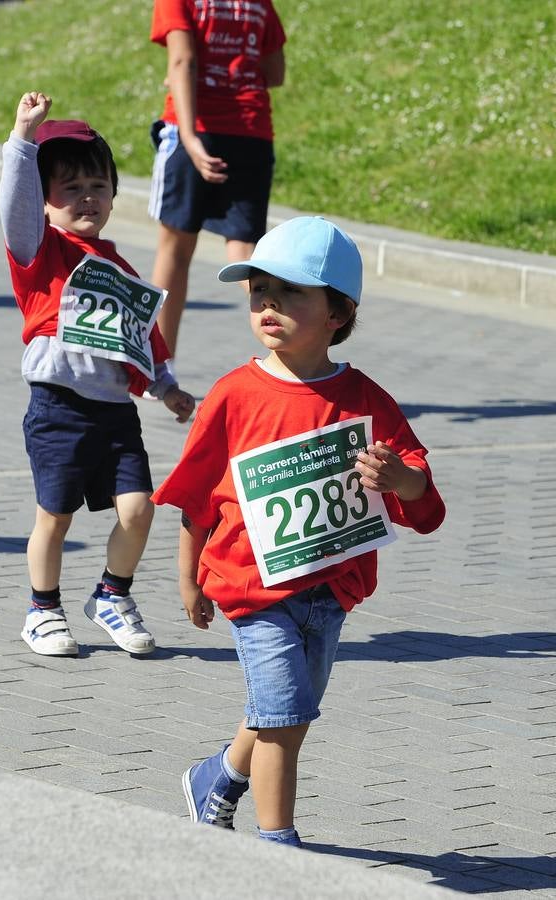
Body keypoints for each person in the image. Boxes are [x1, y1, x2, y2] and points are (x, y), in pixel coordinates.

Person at [153, 216, 446, 846]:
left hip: (331, 592)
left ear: (338, 313)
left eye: (291, 294)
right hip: (253, 591)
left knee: (284, 715)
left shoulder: (364, 398)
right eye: (259, 291)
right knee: (284, 719)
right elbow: (194, 500)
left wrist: (401, 479)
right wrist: (188, 577)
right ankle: (278, 848)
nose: (269, 305)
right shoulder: (233, 394)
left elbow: (424, 497)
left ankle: (218, 778)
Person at [0, 91, 196, 659]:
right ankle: (42, 611)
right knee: (54, 518)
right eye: (70, 188)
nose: (87, 197)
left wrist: (167, 387)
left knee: (139, 508)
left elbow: (146, 338)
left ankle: (113, 594)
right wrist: (22, 138)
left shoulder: (118, 267)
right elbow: (14, 204)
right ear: (44, 201)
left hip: (115, 412)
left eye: (98, 186)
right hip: (58, 408)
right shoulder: (39, 251)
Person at [147, 0, 286, 356]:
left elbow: (184, 61)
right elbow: (275, 73)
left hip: (196, 127)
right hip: (252, 132)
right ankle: (297, 332)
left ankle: (159, 367)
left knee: (175, 249)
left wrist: (190, 139)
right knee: (244, 249)